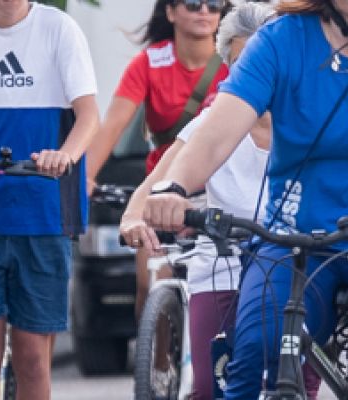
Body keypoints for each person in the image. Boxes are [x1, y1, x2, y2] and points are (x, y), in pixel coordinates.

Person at [128, 0, 348, 397]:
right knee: (256, 361)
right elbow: (215, 132)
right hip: (297, 240)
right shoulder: (279, 40)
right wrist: (174, 187)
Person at [0, 0, 102, 397]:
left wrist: (66, 155)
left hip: (42, 216)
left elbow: (88, 115)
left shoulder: (60, 30)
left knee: (31, 357)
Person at [116, 5, 275, 399]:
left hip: (289, 262)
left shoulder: (310, 120)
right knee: (211, 387)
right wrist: (136, 216)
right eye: (241, 64)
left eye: (264, 62)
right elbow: (157, 182)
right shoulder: (210, 123)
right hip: (222, 259)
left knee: (289, 384)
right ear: (228, 68)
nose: (254, 75)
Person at [92, 0, 231, 319]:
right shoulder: (150, 63)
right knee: (150, 280)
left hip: (219, 191)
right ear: (170, 12)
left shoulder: (235, 59)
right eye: (193, 3)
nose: (204, 12)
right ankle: (157, 363)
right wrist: (83, 180)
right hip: (163, 190)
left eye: (214, 4)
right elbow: (112, 126)